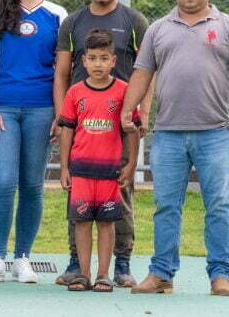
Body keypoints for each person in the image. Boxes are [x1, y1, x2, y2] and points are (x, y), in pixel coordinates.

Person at [121, 0, 229, 298]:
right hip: (168, 134)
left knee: (219, 204)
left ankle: (220, 275)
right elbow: (142, 74)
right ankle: (161, 273)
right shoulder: (158, 28)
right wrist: (128, 109)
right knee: (166, 205)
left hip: (214, 132)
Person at [53, 0, 151, 287]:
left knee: (121, 191)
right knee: (77, 195)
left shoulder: (134, 21)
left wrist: (142, 114)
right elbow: (62, 73)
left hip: (120, 127)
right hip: (84, 127)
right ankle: (75, 263)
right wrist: (61, 117)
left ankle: (121, 264)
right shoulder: (72, 23)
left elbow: (147, 70)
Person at [0, 0, 68, 284]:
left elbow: (62, 70)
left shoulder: (58, 14)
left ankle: (23, 258)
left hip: (42, 110)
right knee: (3, 182)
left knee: (32, 185)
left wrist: (60, 114)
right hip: (4, 111)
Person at [58, 30, 140, 292]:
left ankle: (103, 274)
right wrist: (63, 167)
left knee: (106, 223)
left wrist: (131, 164)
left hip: (109, 173)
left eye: (104, 58)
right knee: (81, 222)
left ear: (113, 61)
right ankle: (83, 274)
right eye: (92, 58)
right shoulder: (74, 93)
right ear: (83, 61)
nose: (98, 64)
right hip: (81, 172)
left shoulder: (124, 92)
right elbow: (67, 130)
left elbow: (133, 130)